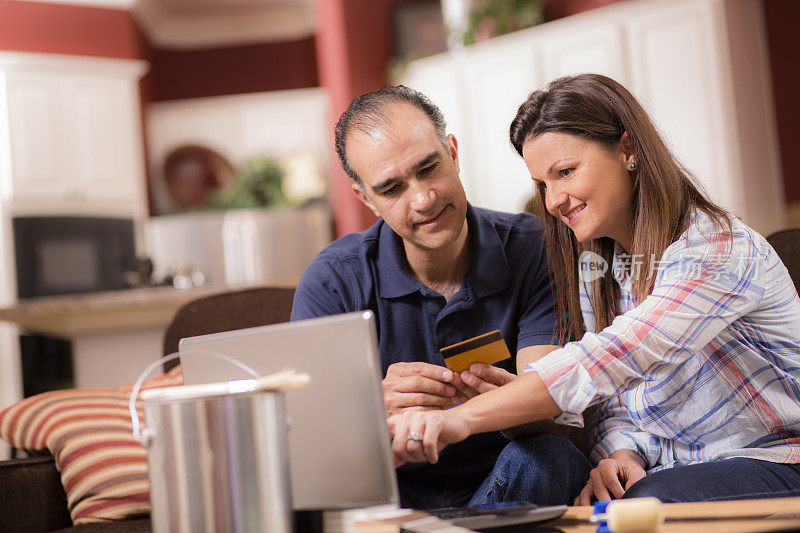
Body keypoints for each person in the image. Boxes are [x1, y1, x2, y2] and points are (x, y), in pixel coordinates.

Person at [388, 74, 800, 504]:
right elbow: (615, 402)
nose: (553, 201)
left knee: (645, 507)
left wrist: (463, 419)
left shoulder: (715, 248)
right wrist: (621, 452)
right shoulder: (598, 267)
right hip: (682, 469)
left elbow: (614, 357)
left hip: (779, 459)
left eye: (566, 172)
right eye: (543, 184)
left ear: (628, 150)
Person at [291, 86, 591, 509]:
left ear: (452, 153)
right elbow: (310, 443)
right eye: (392, 189)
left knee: (553, 458)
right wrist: (369, 412)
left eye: (429, 168)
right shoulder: (333, 281)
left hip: (502, 483)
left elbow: (555, 408)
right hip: (389, 495)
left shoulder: (536, 247)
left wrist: (509, 402)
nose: (423, 199)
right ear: (366, 199)